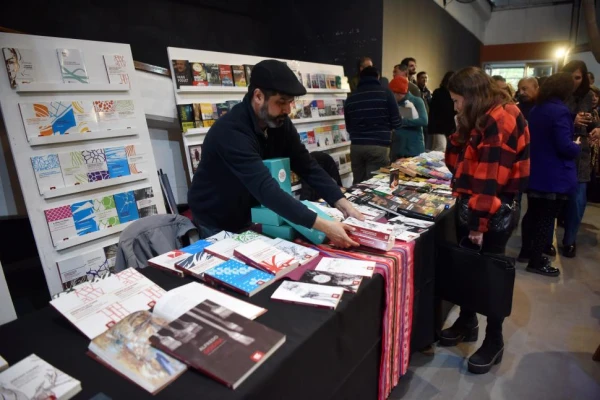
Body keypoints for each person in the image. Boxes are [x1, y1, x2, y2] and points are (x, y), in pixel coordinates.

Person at [188, 59, 364, 247]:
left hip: (249, 211)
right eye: (281, 102)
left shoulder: (279, 123)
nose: (288, 110)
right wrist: (323, 226)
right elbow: (266, 189)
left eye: (290, 102)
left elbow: (307, 165)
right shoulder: (231, 132)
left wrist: (342, 203)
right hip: (216, 217)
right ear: (258, 96)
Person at [442, 67, 529, 375]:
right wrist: (459, 128)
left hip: (493, 208)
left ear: (471, 95)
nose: (455, 106)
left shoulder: (501, 117)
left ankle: (495, 339)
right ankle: (468, 322)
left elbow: (491, 178)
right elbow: (456, 164)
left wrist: (480, 224)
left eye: (456, 100)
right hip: (477, 203)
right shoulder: (483, 114)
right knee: (469, 265)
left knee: (492, 274)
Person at [519, 73, 581, 277]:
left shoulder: (537, 109)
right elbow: (564, 146)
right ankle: (536, 261)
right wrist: (577, 146)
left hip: (536, 171)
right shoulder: (560, 111)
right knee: (546, 219)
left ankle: (526, 252)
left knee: (533, 214)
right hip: (554, 175)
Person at [559, 60, 596, 258]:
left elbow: (593, 119)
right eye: (571, 76)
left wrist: (597, 127)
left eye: (578, 77)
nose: (574, 81)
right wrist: (571, 119)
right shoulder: (557, 94)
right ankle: (546, 241)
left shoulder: (589, 96)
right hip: (559, 148)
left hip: (581, 152)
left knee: (578, 200)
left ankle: (570, 240)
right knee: (553, 198)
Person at [345, 66, 402, 184]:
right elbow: (397, 123)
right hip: (378, 146)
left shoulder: (351, 98)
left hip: (356, 147)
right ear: (378, 77)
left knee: (357, 185)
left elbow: (349, 127)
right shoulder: (386, 93)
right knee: (374, 185)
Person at [389, 76, 427, 159]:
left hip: (414, 149)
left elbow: (424, 120)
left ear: (398, 93)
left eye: (391, 94)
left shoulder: (417, 101)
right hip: (397, 149)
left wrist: (401, 121)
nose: (390, 96)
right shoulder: (392, 104)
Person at [427, 71, 456, 151]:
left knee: (450, 148)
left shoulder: (456, 93)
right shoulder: (438, 92)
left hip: (452, 126)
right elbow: (433, 111)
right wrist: (431, 127)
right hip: (439, 126)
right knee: (440, 147)